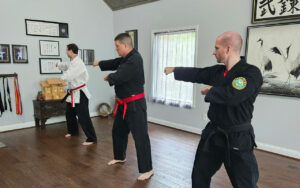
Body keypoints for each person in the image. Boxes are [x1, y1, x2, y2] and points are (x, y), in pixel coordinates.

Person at [164, 31, 262, 188]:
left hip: (237, 137)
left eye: (216, 48)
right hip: (214, 133)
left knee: (245, 184)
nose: (213, 51)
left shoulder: (250, 73)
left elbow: (234, 95)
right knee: (199, 176)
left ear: (228, 49)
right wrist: (175, 69)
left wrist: (212, 91)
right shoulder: (218, 71)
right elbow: (198, 73)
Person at [93, 33, 154, 180]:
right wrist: (100, 63)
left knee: (140, 137)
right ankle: (120, 157)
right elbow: (115, 63)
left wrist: (110, 77)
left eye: (117, 46)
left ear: (125, 45)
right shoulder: (126, 58)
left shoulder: (135, 59)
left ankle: (148, 169)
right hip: (123, 104)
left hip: (135, 105)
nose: (116, 49)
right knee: (118, 131)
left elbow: (121, 75)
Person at [57, 43, 97, 146]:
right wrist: (58, 64)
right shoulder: (73, 62)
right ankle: (73, 131)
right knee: (69, 114)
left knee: (83, 116)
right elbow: (66, 65)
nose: (66, 52)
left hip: (80, 93)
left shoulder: (78, 63)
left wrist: (60, 79)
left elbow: (70, 74)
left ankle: (92, 138)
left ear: (70, 51)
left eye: (66, 50)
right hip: (72, 94)